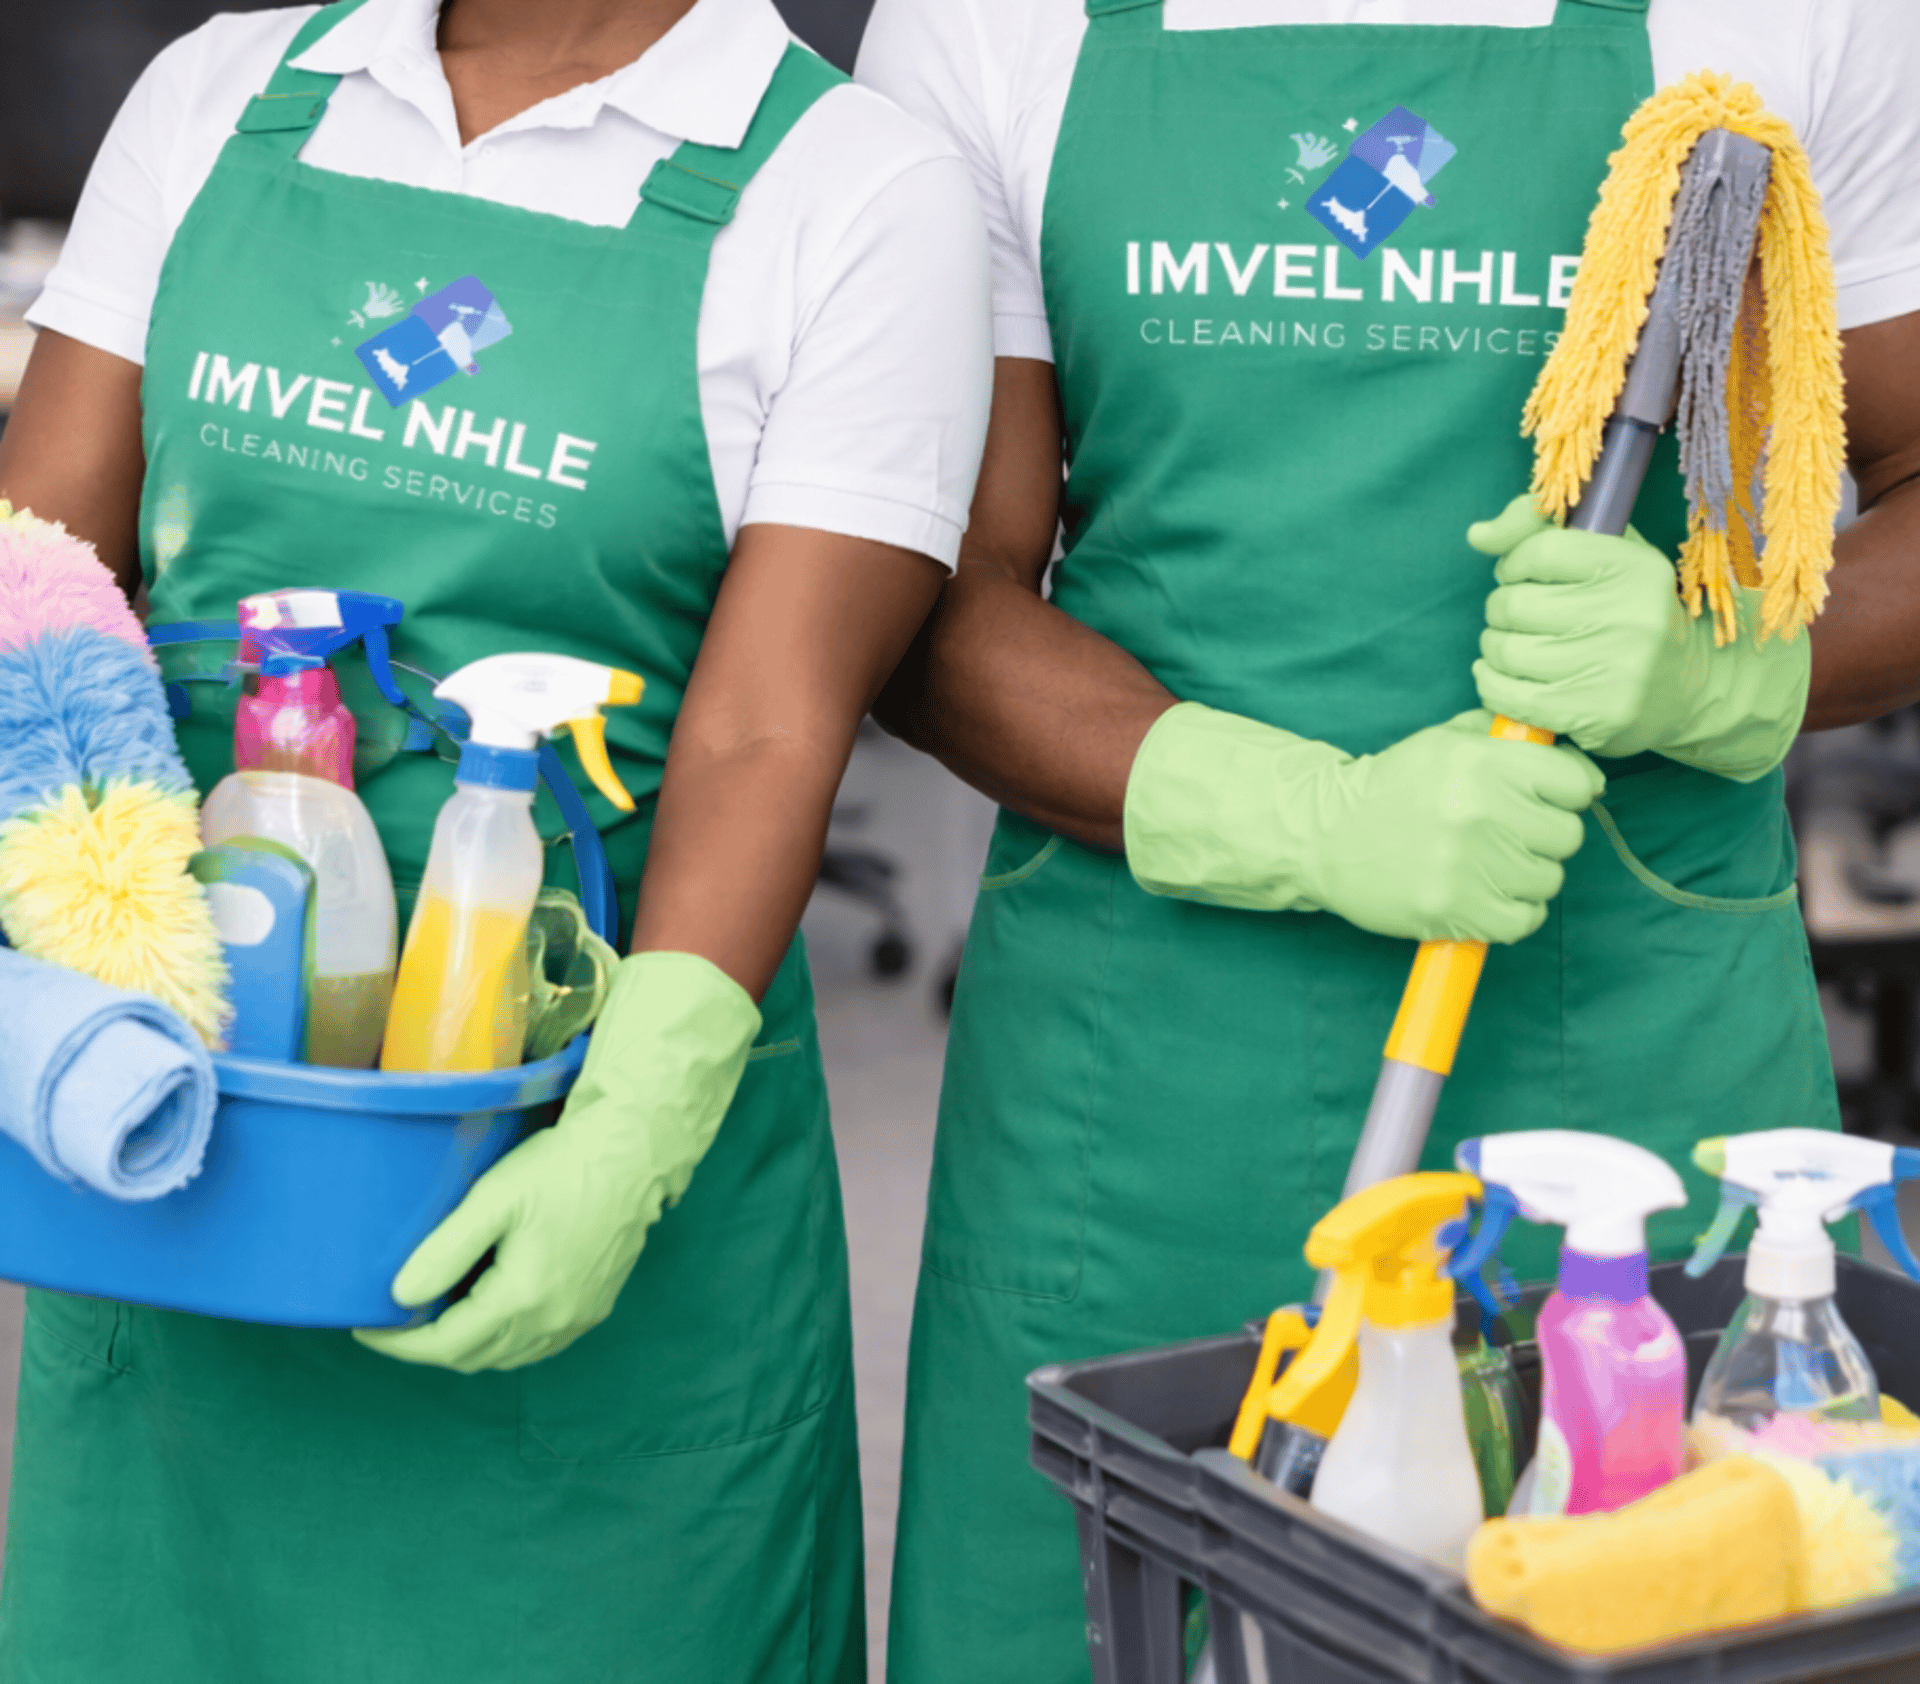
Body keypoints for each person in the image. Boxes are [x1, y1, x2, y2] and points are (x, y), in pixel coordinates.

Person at [855, 0, 1920, 1677]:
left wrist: (1722, 668)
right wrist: (1297, 817)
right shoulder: (992, 23)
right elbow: (915, 584)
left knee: (1656, 1598)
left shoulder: (1796, 17)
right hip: (1142, 1083)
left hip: (1625, 1047)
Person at [0, 0, 990, 1678]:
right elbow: (39, 568)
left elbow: (771, 722)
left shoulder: (853, 188)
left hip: (562, 1124)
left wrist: (638, 1119)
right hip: (176, 1121)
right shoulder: (228, 97)